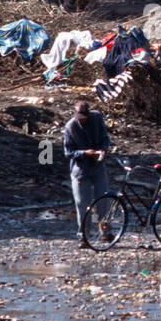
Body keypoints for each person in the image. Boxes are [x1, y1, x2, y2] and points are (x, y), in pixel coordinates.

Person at [63, 98, 110, 242]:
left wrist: (103, 150)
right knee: (83, 205)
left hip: (97, 166)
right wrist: (84, 153)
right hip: (80, 170)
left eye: (84, 118)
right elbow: (68, 153)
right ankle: (83, 236)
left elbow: (105, 138)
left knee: (103, 202)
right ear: (74, 114)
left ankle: (106, 234)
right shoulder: (70, 127)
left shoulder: (96, 118)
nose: (82, 121)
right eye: (79, 118)